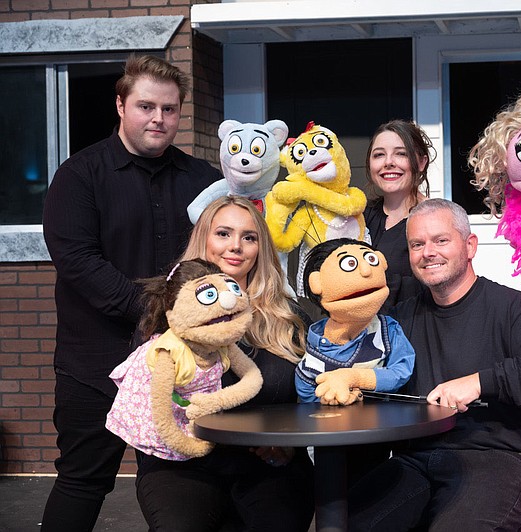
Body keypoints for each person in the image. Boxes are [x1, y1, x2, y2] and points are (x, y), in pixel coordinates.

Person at [41, 54, 221, 531]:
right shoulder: (79, 175)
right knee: (83, 479)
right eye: (146, 106)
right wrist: (161, 313)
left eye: (169, 109)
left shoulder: (202, 180)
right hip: (94, 362)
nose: (158, 119)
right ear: (121, 105)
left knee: (181, 482)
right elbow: (78, 260)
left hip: (183, 367)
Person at [348, 198, 521, 531]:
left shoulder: (507, 306)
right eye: (417, 244)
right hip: (415, 459)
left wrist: (479, 382)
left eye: (441, 240)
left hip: (497, 458)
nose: (428, 252)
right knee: (347, 524)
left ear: (470, 246)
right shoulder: (401, 317)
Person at [135, 196, 315, 531]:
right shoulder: (166, 315)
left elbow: (311, 398)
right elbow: (149, 403)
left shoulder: (289, 318)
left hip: (269, 464)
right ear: (203, 238)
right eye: (223, 233)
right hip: (184, 463)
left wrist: (290, 442)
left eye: (249, 237)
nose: (236, 246)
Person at [295, 238, 415, 405]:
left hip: (385, 424)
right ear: (317, 283)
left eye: (371, 259)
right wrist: (330, 400)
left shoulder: (387, 329)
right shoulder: (315, 349)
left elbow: (402, 370)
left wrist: (356, 377)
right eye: (349, 264)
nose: (366, 271)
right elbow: (306, 393)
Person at [363, 120, 435, 310]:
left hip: (417, 331)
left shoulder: (436, 217)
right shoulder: (360, 216)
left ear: (421, 162)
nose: (388, 162)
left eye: (401, 154)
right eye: (379, 155)